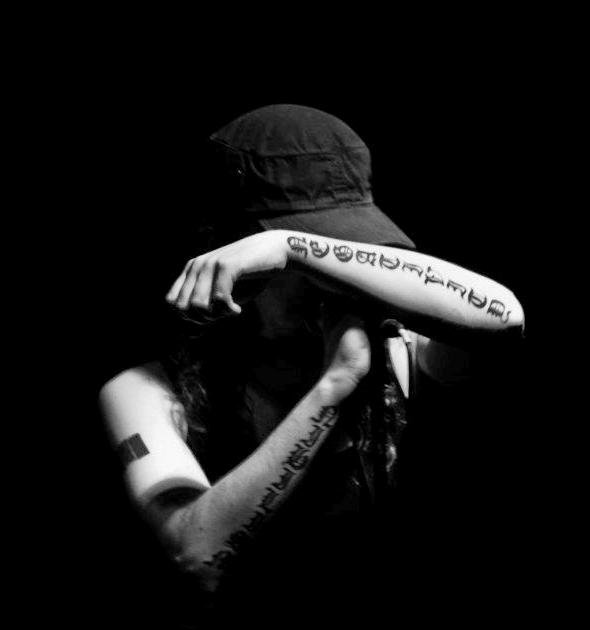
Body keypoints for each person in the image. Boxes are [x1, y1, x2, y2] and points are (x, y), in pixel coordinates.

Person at [99, 104, 525, 623]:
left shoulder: (407, 350)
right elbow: (198, 556)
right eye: (293, 268)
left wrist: (291, 244)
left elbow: (505, 317)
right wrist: (335, 387)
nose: (328, 284)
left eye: (342, 255)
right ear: (228, 259)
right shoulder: (145, 391)